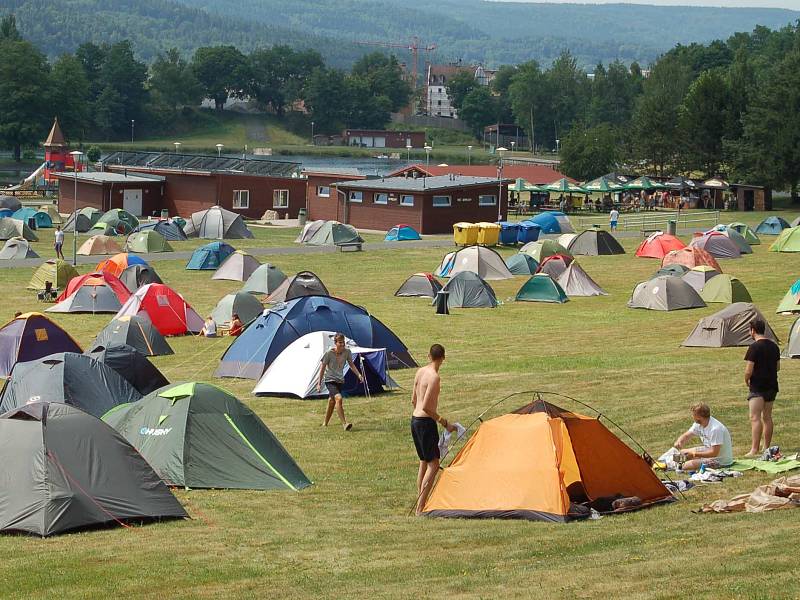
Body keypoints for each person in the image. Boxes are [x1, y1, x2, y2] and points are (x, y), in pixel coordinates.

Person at [411, 343, 456, 515]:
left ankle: (419, 499)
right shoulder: (434, 377)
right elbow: (428, 408)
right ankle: (420, 507)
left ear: (429, 356)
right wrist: (444, 422)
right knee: (434, 465)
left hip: (415, 420)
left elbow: (414, 401)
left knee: (424, 461)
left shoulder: (420, 372)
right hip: (425, 423)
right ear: (443, 358)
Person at [744, 319, 780, 457]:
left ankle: (754, 449)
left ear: (752, 330)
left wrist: (746, 380)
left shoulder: (754, 347)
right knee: (767, 417)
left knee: (755, 417)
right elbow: (778, 367)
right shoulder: (774, 346)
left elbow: (749, 370)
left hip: (757, 387)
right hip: (772, 386)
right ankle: (766, 447)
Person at [318, 333, 363, 431]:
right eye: (340, 343)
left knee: (331, 401)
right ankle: (344, 424)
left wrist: (359, 375)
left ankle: (325, 423)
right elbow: (322, 369)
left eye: (343, 343)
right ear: (335, 343)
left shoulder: (347, 352)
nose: (342, 345)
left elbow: (351, 365)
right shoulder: (328, 353)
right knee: (339, 398)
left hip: (340, 380)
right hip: (330, 380)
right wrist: (318, 384)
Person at [673, 403, 733, 471]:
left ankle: (674, 465)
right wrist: (680, 441)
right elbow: (687, 435)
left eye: (693, 415)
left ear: (698, 416)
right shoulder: (698, 424)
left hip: (720, 461)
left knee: (683, 466)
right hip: (708, 450)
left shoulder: (715, 429)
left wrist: (694, 454)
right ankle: (668, 463)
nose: (692, 416)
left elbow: (714, 453)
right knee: (681, 453)